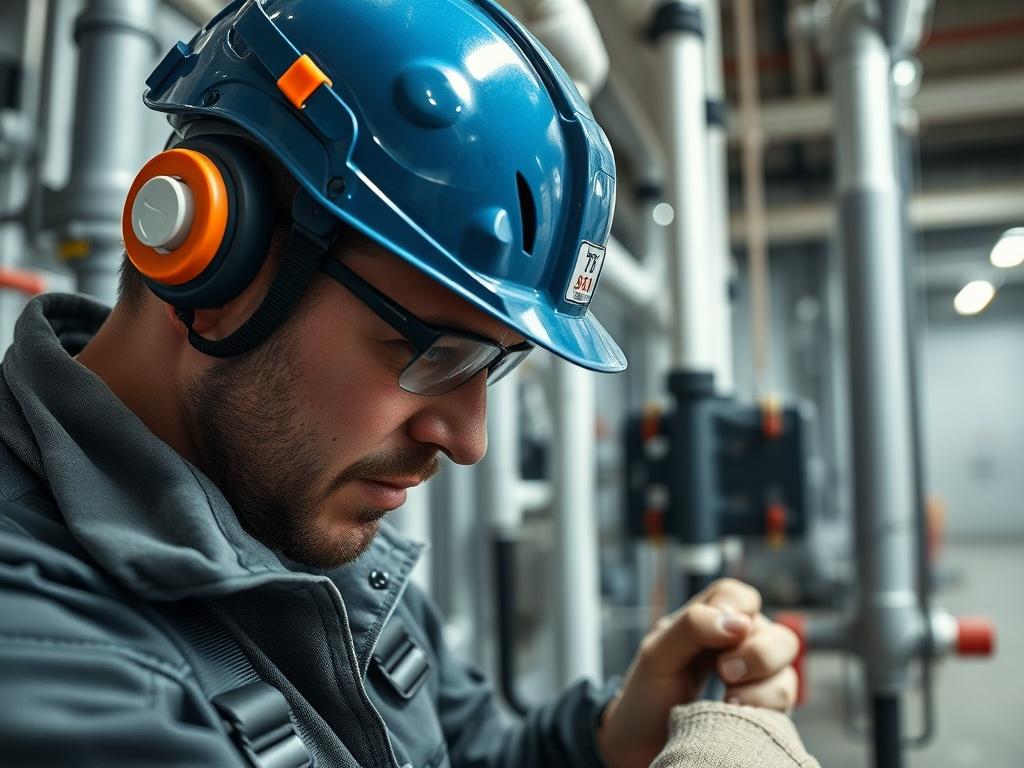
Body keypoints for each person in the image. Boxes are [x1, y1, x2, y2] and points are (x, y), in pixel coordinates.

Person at [0, 0, 811, 765]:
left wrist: (609, 738)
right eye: (428, 350)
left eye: (492, 363)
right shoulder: (45, 653)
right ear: (213, 261)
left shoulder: (301, 515)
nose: (467, 440)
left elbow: (465, 753)